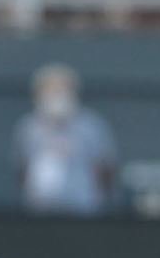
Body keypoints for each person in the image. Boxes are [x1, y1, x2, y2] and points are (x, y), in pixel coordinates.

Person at [12, 63, 118, 215]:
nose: (56, 96)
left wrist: (99, 199)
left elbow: (105, 168)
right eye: (50, 90)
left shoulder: (91, 126)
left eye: (62, 90)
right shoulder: (28, 128)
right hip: (39, 210)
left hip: (83, 207)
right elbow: (22, 169)